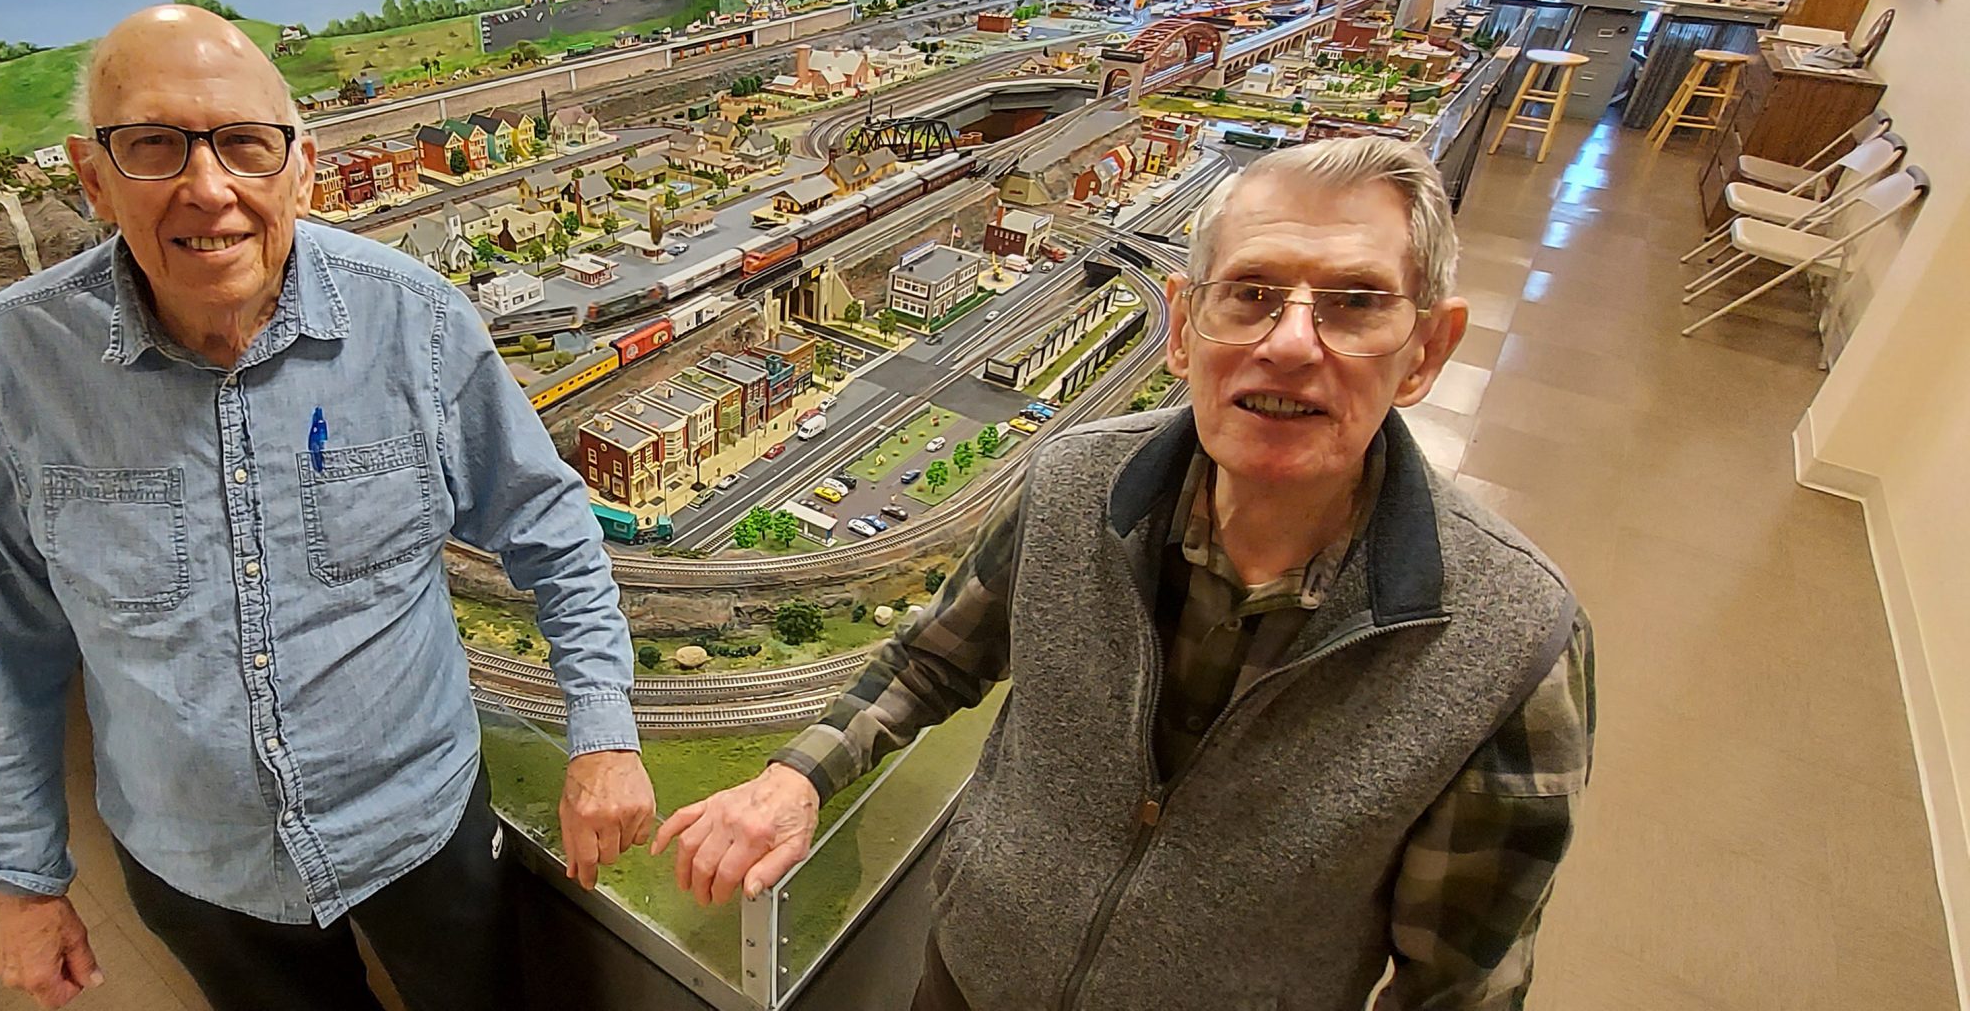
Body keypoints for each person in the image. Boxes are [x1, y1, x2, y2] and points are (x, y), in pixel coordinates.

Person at [656, 138, 1595, 1009]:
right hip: (969, 980)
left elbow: (1457, 989)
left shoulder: (1507, 639)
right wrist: (799, 780)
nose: (1291, 343)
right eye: (1252, 293)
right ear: (1185, 328)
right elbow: (932, 660)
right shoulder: (1072, 483)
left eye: (1354, 303)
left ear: (1426, 349)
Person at [0, 5, 656, 1011]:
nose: (207, 186)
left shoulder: (414, 322)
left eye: (243, 142)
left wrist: (603, 729)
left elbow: (553, 531)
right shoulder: (8, 366)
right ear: (93, 177)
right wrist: (19, 881)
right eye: (153, 145)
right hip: (196, 863)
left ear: (301, 169)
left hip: (419, 828)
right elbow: (5, 637)